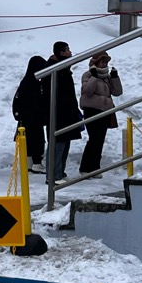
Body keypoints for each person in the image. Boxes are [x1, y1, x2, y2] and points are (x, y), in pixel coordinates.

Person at [42, 41, 82, 181]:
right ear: (61, 53)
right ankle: (53, 175)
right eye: (68, 50)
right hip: (58, 114)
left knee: (64, 144)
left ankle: (59, 172)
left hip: (65, 112)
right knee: (57, 144)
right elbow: (53, 94)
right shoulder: (53, 70)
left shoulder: (62, 68)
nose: (70, 52)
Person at [77, 51, 121, 175]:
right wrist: (94, 77)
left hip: (105, 111)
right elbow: (87, 91)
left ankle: (95, 167)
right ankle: (85, 168)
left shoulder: (106, 77)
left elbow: (117, 92)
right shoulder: (88, 75)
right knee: (94, 138)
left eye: (106, 62)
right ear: (95, 63)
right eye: (102, 62)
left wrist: (114, 77)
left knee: (100, 139)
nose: (104, 65)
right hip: (92, 110)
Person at [12, 56, 49, 173]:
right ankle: (37, 163)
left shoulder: (26, 81)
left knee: (28, 140)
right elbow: (36, 100)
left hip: (25, 117)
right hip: (33, 117)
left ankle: (28, 164)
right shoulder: (34, 83)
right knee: (37, 139)